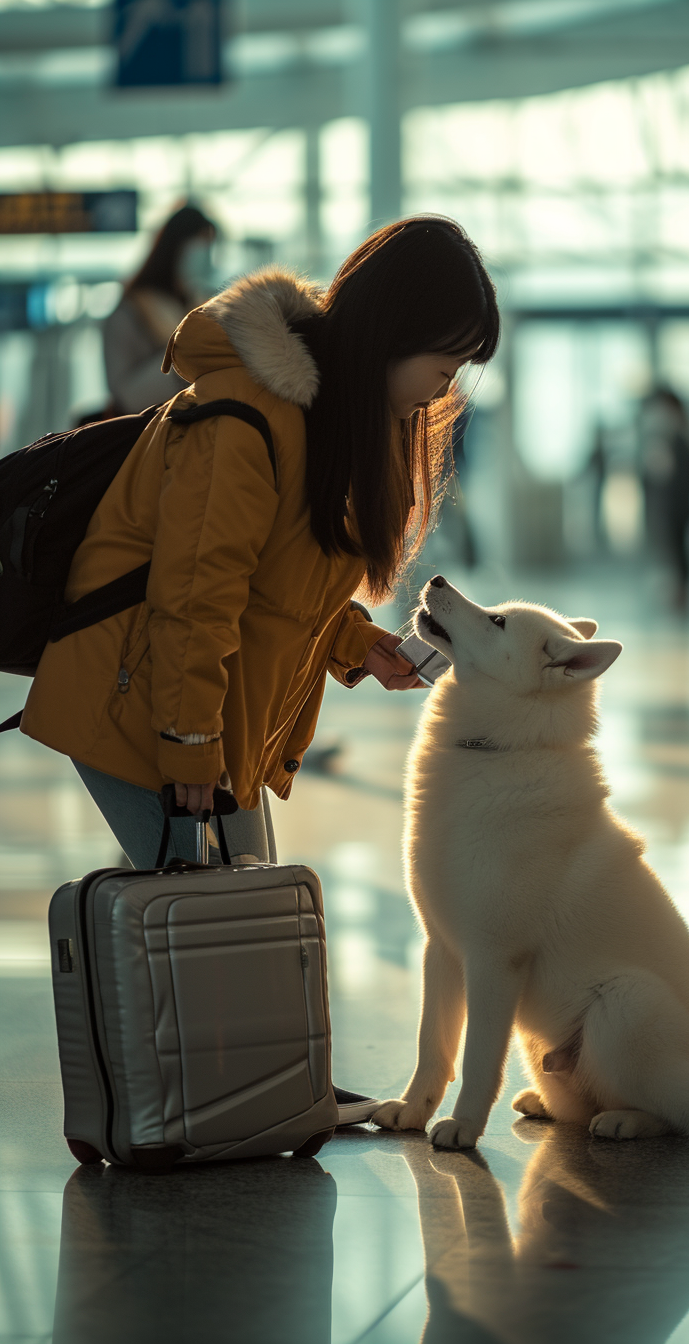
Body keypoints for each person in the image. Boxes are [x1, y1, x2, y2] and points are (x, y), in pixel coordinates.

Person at [20, 215, 500, 1120]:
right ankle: (231, 1111)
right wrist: (191, 751)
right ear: (391, 334)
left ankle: (267, 1099)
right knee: (225, 929)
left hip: (209, 706)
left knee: (255, 929)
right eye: (443, 362)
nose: (447, 387)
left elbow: (285, 588)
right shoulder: (245, 409)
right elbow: (195, 601)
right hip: (142, 704)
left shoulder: (330, 419)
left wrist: (364, 646)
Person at [103, 203, 217, 414]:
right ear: (176, 246)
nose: (207, 255)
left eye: (211, 245)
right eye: (201, 244)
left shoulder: (208, 305)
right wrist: (185, 361)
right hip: (144, 432)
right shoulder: (131, 311)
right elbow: (124, 396)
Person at [638, 386, 689, 610]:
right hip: (679, 502)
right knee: (677, 548)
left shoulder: (680, 436)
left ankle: (683, 593)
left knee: (679, 548)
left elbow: (676, 475)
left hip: (679, 503)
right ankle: (680, 591)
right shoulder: (682, 433)